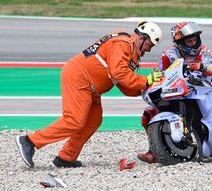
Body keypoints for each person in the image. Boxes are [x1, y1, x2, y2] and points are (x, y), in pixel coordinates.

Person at [15, 21, 164, 168]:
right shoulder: (122, 44)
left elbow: (125, 86)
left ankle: (66, 158)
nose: (149, 50)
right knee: (74, 120)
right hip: (80, 78)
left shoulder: (128, 49)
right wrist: (146, 80)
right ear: (141, 37)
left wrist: (147, 86)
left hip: (91, 87)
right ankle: (30, 141)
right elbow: (119, 73)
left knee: (93, 120)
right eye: (149, 45)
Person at [137, 21, 212, 164]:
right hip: (181, 88)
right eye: (189, 41)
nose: (193, 43)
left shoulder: (204, 51)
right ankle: (154, 150)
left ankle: (210, 137)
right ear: (180, 42)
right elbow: (162, 71)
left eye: (194, 40)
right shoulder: (169, 52)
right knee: (149, 113)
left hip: (205, 87)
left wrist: (201, 66)